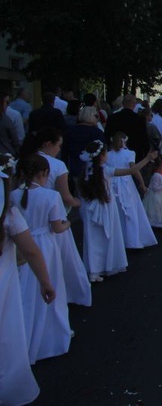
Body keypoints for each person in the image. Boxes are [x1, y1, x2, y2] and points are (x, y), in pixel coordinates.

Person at [0, 155, 56, 405]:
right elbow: (31, 251)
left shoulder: (13, 205)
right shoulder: (9, 215)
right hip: (4, 283)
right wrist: (45, 282)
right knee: (7, 333)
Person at [12, 155, 72, 364]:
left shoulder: (11, 196)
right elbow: (57, 226)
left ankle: (23, 337)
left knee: (24, 290)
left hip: (19, 247)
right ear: (44, 174)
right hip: (45, 245)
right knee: (51, 285)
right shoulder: (50, 196)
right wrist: (67, 224)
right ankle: (51, 335)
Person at [20, 128, 91, 307]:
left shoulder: (23, 162)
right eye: (58, 145)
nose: (60, 149)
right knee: (62, 264)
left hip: (24, 226)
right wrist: (77, 202)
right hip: (52, 221)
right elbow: (65, 196)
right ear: (48, 144)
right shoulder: (57, 166)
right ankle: (68, 295)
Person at [79, 140, 156, 282]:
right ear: (102, 156)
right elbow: (131, 170)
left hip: (90, 206)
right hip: (106, 205)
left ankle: (93, 270)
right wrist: (148, 158)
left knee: (92, 238)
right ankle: (108, 265)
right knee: (108, 236)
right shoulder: (106, 170)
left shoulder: (86, 170)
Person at [106, 132, 158, 249]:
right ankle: (133, 240)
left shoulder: (108, 155)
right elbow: (134, 170)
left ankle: (119, 240)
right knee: (131, 211)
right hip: (126, 184)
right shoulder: (129, 153)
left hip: (112, 184)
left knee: (117, 211)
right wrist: (142, 183)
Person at [62, 106, 106, 179]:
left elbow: (64, 152)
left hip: (74, 168)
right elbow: (102, 152)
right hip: (92, 169)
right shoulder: (97, 133)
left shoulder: (70, 131)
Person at [104, 94, 150, 162]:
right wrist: (146, 153)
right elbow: (144, 138)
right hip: (135, 153)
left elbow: (107, 136)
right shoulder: (139, 119)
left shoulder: (112, 118)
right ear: (134, 104)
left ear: (123, 104)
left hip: (116, 151)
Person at [0, 91, 20, 157]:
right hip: (5, 154)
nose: (7, 105)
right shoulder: (4, 119)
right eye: (6, 102)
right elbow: (15, 140)